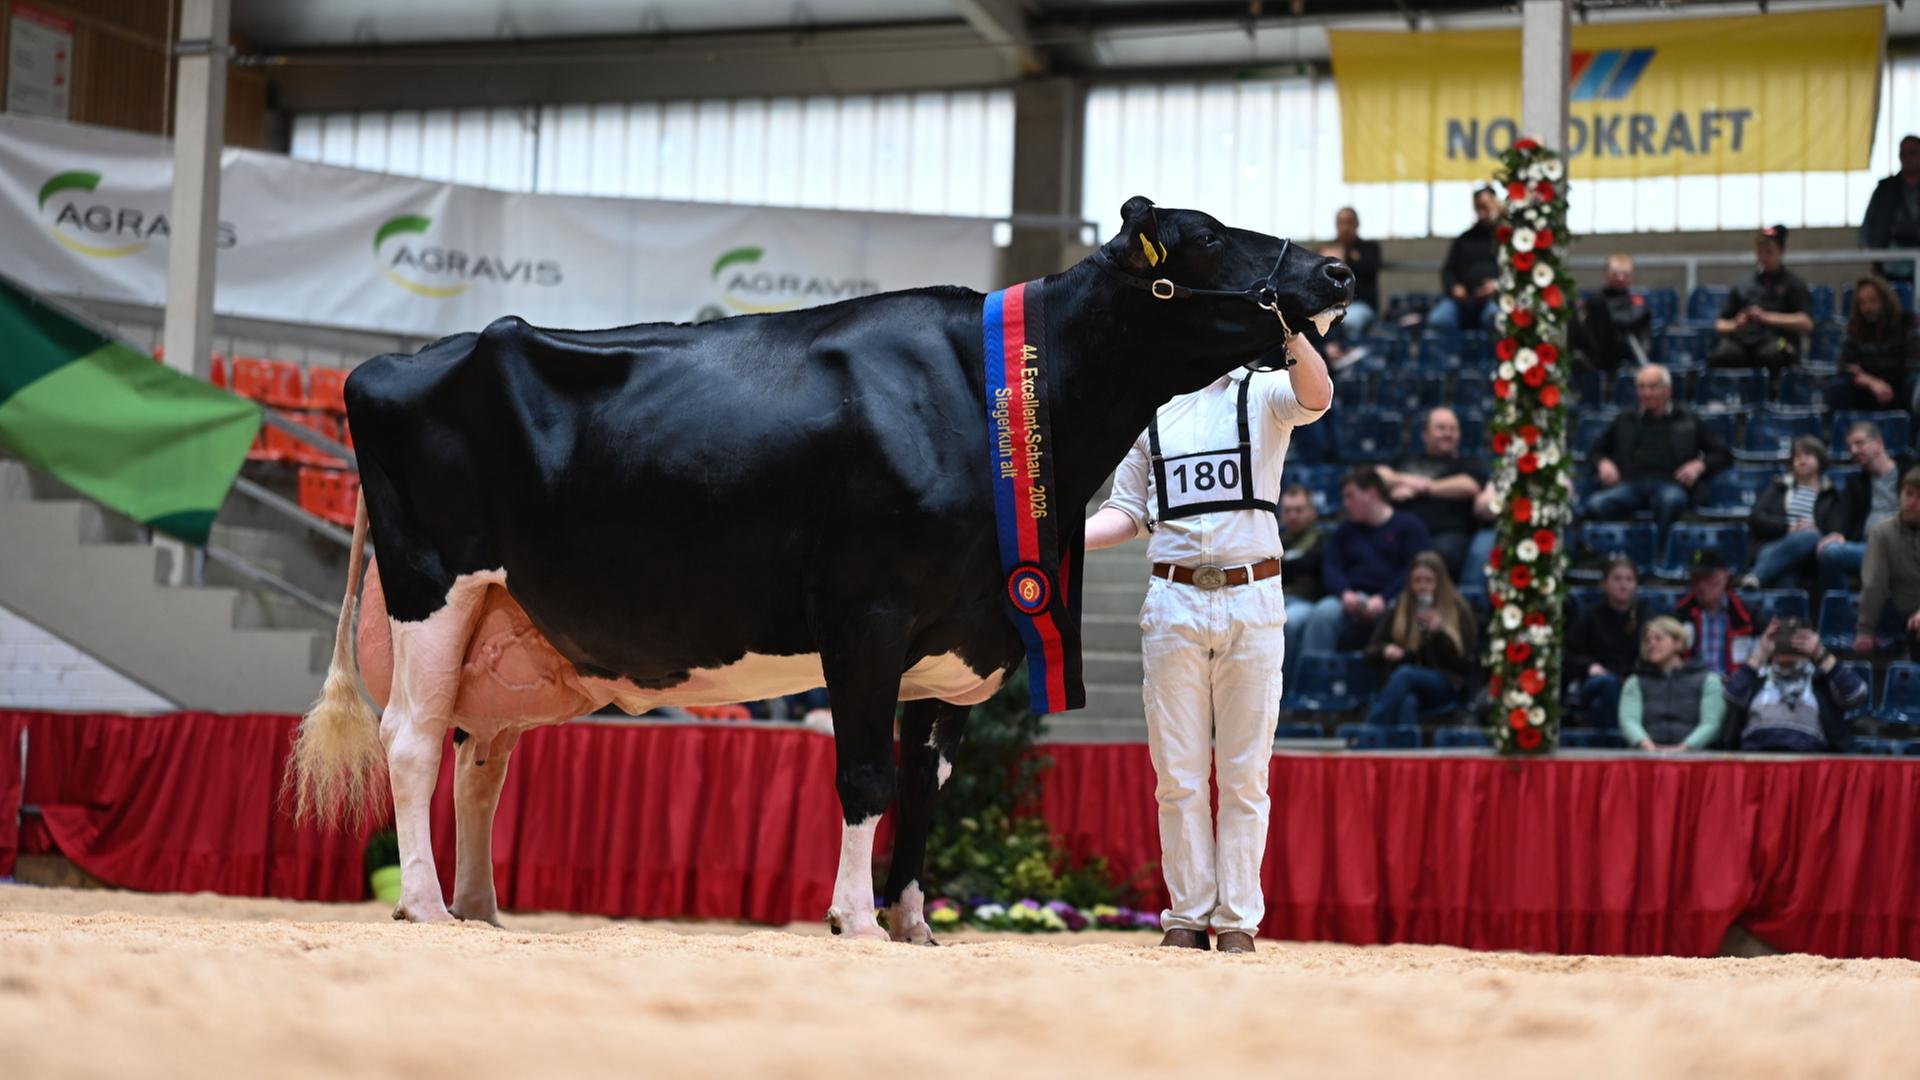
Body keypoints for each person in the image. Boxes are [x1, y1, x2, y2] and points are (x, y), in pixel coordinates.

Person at [1085, 333, 1332, 955]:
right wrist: (1060, 539)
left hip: (1252, 593)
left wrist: (1291, 331)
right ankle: (1187, 916)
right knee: (1178, 774)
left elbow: (1319, 394)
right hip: (1173, 598)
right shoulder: (1153, 411)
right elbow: (1127, 510)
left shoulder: (1265, 392)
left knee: (1246, 773)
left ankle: (1239, 921)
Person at [1583, 364, 1732, 547]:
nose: (1646, 393)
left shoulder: (1687, 418)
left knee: (1672, 500)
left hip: (1670, 484)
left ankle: (1655, 554)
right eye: (1642, 387)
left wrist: (1699, 465)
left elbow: (1723, 453)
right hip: (1630, 484)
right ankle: (1616, 555)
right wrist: (1603, 463)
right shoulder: (1625, 419)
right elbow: (1594, 451)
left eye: (1652, 387)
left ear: (1667, 390)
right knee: (1596, 504)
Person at [1300, 467, 1433, 656]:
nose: (1345, 503)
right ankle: (1311, 681)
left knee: (1399, 613)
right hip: (1351, 600)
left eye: (1350, 496)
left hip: (1394, 599)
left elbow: (1415, 569)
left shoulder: (1409, 525)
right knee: (1323, 613)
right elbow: (1331, 566)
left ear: (1372, 493)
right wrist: (1345, 593)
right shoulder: (1346, 530)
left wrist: (1383, 598)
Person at [1362, 552, 1478, 728]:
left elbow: (1464, 662)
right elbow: (1369, 653)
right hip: (1408, 682)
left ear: (1440, 582)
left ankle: (1367, 733)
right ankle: (1406, 751)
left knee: (1405, 675)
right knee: (1408, 702)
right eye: (1416, 580)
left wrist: (1439, 634)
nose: (1422, 586)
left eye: (1428, 580)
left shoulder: (1458, 609)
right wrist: (1385, 651)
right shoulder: (1400, 607)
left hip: (1446, 683)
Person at [1720, 619, 1865, 754]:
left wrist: (1821, 653)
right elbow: (1730, 697)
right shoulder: (1757, 679)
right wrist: (1761, 652)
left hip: (1807, 762)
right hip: (1757, 759)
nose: (1790, 647)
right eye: (1784, 643)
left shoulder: (1820, 683)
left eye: (1798, 645)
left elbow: (1857, 694)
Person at [1376, 407, 1489, 580]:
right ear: (1425, 434)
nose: (1448, 434)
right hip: (1400, 532)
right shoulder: (1406, 460)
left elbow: (1469, 486)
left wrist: (1423, 488)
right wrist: (1409, 481)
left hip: (1447, 535)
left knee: (1432, 557)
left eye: (1453, 429)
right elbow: (1378, 475)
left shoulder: (1468, 463)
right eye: (1441, 428)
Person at [1819, 421, 1917, 591]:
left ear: (1879, 443)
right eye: (1850, 447)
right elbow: (1841, 512)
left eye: (1859, 443)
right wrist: (1836, 533)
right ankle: (1843, 612)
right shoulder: (1856, 483)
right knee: (1830, 551)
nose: (1854, 451)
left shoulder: (1910, 470)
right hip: (1868, 548)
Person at [1739, 436, 1846, 591]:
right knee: (1786, 578)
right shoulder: (1779, 487)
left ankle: (1756, 576)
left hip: (1811, 554)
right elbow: (1756, 518)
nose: (1802, 460)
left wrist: (1815, 531)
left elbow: (1835, 531)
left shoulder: (1830, 495)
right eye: (1797, 456)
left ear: (1820, 458)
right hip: (1778, 544)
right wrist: (1789, 527)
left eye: (1808, 455)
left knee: (1810, 535)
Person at [1709, 225, 1813, 382]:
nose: (1764, 257)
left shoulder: (1794, 284)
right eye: (1760, 252)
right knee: (1721, 355)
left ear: (1781, 252)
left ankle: (1772, 398)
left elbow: (1806, 323)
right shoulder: (1743, 284)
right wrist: (1736, 324)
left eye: (1769, 252)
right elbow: (1720, 324)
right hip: (1744, 340)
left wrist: (1766, 317)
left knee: (1771, 354)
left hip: (1779, 341)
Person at [1618, 616, 1725, 752]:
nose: (1651, 644)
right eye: (1647, 640)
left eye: (1659, 638)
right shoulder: (1634, 682)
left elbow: (1711, 723)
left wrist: (1684, 748)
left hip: (1695, 758)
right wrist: (1648, 747)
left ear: (1679, 643)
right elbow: (1629, 721)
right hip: (1646, 757)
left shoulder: (1708, 681)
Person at [1565, 556, 1647, 729]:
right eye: (1617, 579)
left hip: (1634, 681)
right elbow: (1569, 654)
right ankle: (1616, 741)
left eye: (1629, 579)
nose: (1623, 585)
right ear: (1604, 584)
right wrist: (1589, 666)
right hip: (1599, 681)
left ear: (1636, 585)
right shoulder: (1589, 617)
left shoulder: (1646, 617)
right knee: (1608, 685)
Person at [1853, 466, 1920, 659]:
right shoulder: (1882, 532)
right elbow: (1874, 583)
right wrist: (1865, 629)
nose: (1913, 502)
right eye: (1909, 494)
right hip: (1907, 619)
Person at [1826, 276, 1919, 413]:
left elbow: (1913, 364)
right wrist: (1872, 382)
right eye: (1862, 303)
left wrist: (1879, 381)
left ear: (1885, 300)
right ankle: (1846, 431)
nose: (1867, 308)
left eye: (1872, 301)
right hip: (1867, 390)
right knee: (1836, 388)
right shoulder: (1856, 328)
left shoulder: (1907, 322)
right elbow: (1844, 366)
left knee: (1914, 384)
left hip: (1898, 389)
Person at [1427, 187, 1501, 332]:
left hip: (1493, 299)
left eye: (1485, 206)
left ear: (1495, 204)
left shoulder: (1505, 238)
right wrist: (1454, 287)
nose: (1482, 211)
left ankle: (1490, 355)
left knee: (1494, 317)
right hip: (1462, 301)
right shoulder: (1465, 239)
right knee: (1438, 320)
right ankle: (1452, 355)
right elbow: (1448, 270)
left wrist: (1495, 286)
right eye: (1478, 207)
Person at [1674, 549, 1755, 675]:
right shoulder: (1680, 614)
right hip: (1693, 686)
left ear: (1725, 576)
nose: (1701, 585)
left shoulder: (1747, 614)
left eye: (1707, 577)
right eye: (1695, 579)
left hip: (1735, 687)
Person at [1279, 484, 1327, 691]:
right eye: (1288, 511)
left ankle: (1286, 690)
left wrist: (1284, 564)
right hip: (1277, 599)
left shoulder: (1322, 539)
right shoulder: (1276, 539)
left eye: (1298, 510)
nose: (1293, 516)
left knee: (1287, 623)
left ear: (1312, 512)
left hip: (1306, 603)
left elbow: (1310, 564)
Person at [1573, 253, 1655, 372]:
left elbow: (1644, 342)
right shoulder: (1595, 303)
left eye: (1625, 274)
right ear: (1606, 274)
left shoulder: (1638, 305)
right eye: (1615, 273)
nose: (1620, 278)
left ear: (1631, 277)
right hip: (1597, 360)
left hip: (1629, 360)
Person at [1859, 134, 1920, 285]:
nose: (1907, 158)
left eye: (1913, 153)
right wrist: (1869, 257)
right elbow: (1867, 227)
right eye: (1903, 154)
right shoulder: (1884, 189)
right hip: (1888, 268)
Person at [1328, 207, 1381, 341]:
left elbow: (1368, 270)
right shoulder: (1327, 249)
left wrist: (1345, 259)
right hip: (1330, 305)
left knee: (1349, 321)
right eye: (1341, 223)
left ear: (1357, 224)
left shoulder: (1370, 248)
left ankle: (1350, 355)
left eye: (1349, 222)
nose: (1345, 227)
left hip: (1360, 304)